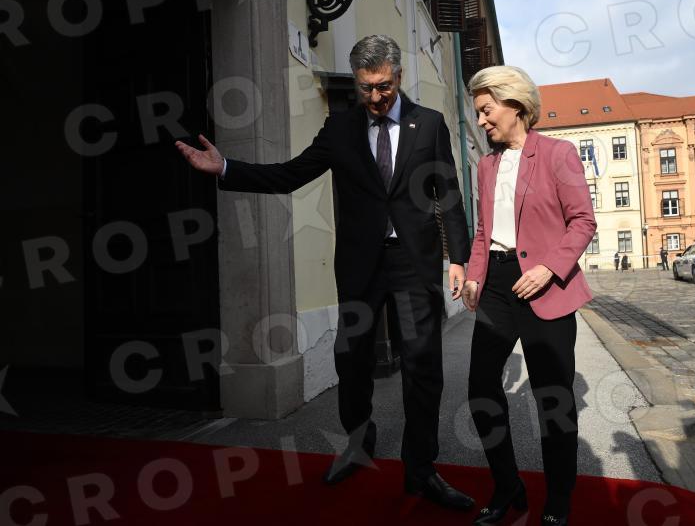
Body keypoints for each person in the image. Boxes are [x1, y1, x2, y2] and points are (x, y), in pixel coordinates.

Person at [175, 35, 474, 511]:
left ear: (398, 76)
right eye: (365, 87)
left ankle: (421, 468)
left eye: (384, 86)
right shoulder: (340, 129)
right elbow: (289, 174)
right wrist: (226, 168)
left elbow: (449, 193)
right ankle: (357, 444)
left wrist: (459, 258)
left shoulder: (431, 123)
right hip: (359, 266)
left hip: (412, 264)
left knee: (423, 366)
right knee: (351, 360)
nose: (375, 97)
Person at [460, 66, 596, 526]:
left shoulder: (558, 154)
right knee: (480, 388)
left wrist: (548, 268)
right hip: (497, 287)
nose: (481, 121)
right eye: (478, 113)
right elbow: (484, 231)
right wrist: (475, 276)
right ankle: (507, 485)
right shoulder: (486, 165)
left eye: (486, 110)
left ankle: (558, 500)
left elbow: (583, 221)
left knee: (552, 398)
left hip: (546, 284)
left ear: (515, 104)